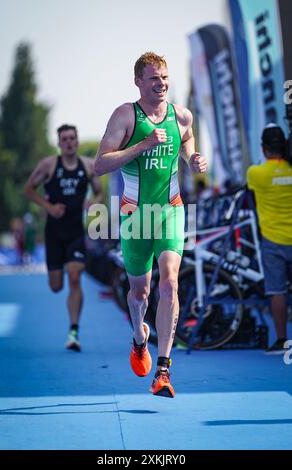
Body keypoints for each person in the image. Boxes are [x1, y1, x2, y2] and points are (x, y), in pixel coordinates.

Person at [95, 52, 207, 397]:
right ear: (138, 82)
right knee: (139, 292)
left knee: (170, 283)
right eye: (154, 78)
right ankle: (139, 338)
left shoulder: (181, 115)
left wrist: (193, 157)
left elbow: (186, 141)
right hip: (135, 216)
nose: (161, 84)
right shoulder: (126, 115)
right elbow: (100, 164)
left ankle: (163, 370)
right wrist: (143, 144)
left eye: (164, 77)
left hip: (171, 211)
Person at [24, 124, 103, 351]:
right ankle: (72, 326)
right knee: (57, 286)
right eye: (64, 139)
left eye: (72, 138)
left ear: (77, 141)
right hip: (54, 234)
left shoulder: (88, 167)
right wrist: (48, 206)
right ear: (59, 143)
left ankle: (73, 331)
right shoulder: (49, 165)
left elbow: (99, 191)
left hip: (76, 232)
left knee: (75, 277)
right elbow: (29, 189)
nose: (69, 142)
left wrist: (94, 202)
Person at [247, 123, 292, 354]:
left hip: (273, 240)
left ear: (264, 149)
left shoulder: (256, 173)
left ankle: (282, 340)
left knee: (277, 291)